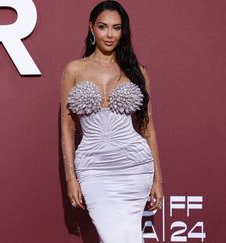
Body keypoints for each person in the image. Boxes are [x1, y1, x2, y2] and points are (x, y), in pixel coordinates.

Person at [60, 1, 164, 242]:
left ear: (123, 30)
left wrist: (157, 179)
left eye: (116, 28)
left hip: (135, 168)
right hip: (94, 169)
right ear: (91, 28)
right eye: (103, 27)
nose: (109, 34)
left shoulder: (137, 71)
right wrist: (70, 177)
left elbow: (148, 128)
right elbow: (67, 127)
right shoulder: (75, 69)